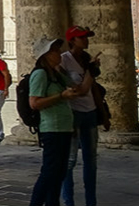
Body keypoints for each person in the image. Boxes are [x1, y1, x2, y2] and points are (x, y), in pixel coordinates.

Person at [30, 37, 82, 206]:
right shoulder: (40, 74)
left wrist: (89, 70)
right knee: (49, 172)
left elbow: (78, 88)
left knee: (59, 173)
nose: (59, 53)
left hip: (64, 128)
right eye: (54, 51)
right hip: (51, 128)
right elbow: (34, 103)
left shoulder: (57, 75)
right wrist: (61, 96)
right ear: (44, 55)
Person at [61, 26, 101, 206]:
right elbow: (74, 89)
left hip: (90, 112)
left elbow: (92, 89)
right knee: (70, 160)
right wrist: (89, 75)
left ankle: (91, 201)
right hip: (74, 113)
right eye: (81, 37)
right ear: (72, 40)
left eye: (86, 37)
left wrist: (103, 113)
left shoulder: (87, 59)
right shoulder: (64, 61)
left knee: (91, 159)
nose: (85, 40)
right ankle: (68, 201)